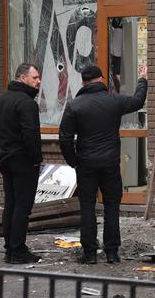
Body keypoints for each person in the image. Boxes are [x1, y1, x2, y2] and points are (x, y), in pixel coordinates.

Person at [59, 64, 147, 264]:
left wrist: (73, 161)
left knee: (87, 206)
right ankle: (112, 252)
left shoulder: (74, 105)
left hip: (86, 164)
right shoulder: (113, 101)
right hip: (110, 163)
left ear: (83, 82)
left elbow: (64, 138)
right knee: (112, 206)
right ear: (101, 80)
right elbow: (137, 101)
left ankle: (89, 253)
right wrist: (142, 79)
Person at [0, 63, 42, 264]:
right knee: (22, 207)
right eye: (34, 78)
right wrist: (36, 159)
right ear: (22, 78)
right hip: (23, 161)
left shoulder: (1, 100)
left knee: (11, 204)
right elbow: (30, 134)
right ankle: (18, 250)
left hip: (5, 158)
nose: (38, 81)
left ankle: (9, 249)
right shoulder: (27, 103)